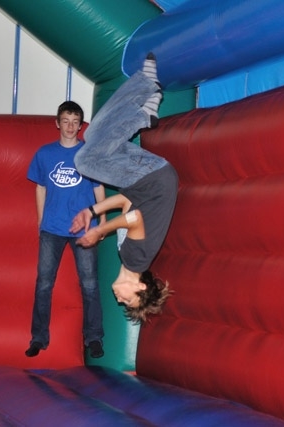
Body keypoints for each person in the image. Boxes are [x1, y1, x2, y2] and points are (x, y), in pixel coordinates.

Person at [70, 53, 177, 323]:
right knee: (84, 161)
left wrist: (91, 211)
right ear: (140, 286)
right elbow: (134, 218)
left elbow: (126, 202)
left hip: (145, 183)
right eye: (129, 299)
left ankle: (146, 111)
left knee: (93, 136)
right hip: (152, 178)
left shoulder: (126, 255)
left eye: (123, 302)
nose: (120, 299)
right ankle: (144, 106)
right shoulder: (136, 259)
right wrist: (99, 230)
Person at [25, 101, 106, 358]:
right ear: (57, 123)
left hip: (84, 228)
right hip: (52, 228)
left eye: (75, 122)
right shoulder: (44, 154)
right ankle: (38, 337)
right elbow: (40, 187)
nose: (70, 126)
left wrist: (103, 223)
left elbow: (99, 189)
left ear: (81, 126)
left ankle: (94, 338)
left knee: (90, 284)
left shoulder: (89, 154)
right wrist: (41, 222)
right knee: (44, 284)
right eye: (66, 121)